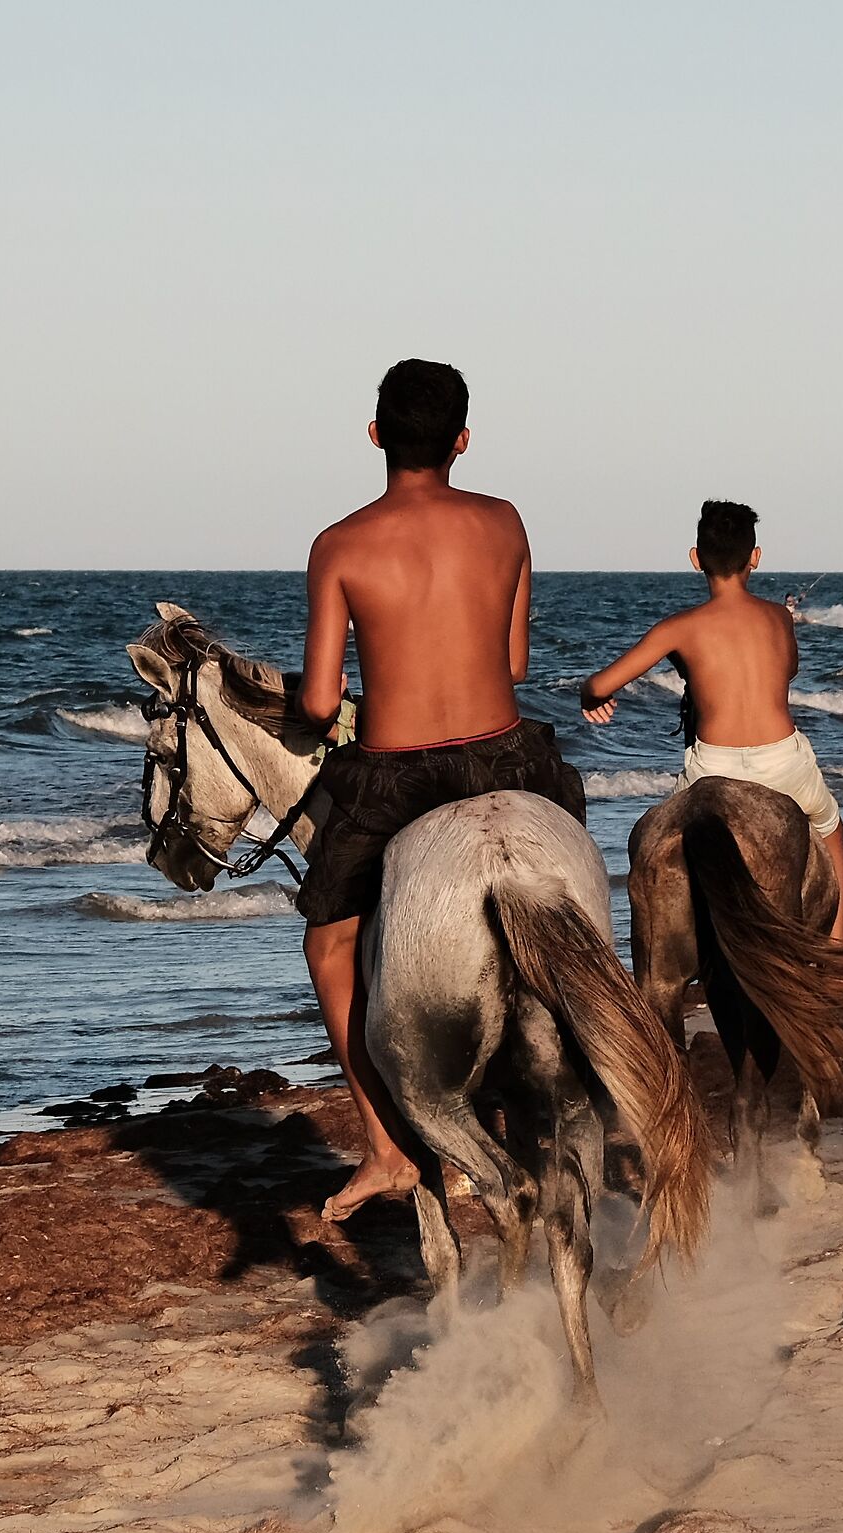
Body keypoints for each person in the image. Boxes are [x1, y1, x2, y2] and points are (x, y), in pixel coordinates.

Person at [294, 359, 587, 1223]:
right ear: (462, 440)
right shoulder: (505, 521)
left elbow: (317, 703)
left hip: (396, 772)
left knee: (330, 947)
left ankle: (387, 1150)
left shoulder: (339, 545)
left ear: (375, 433)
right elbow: (515, 664)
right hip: (508, 758)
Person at [578, 500, 843, 940]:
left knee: (658, 849)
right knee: (830, 830)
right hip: (783, 764)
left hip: (711, 770)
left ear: (695, 558)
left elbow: (602, 684)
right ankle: (839, 961)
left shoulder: (678, 628)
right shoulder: (779, 618)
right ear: (755, 557)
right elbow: (790, 670)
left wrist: (588, 695)